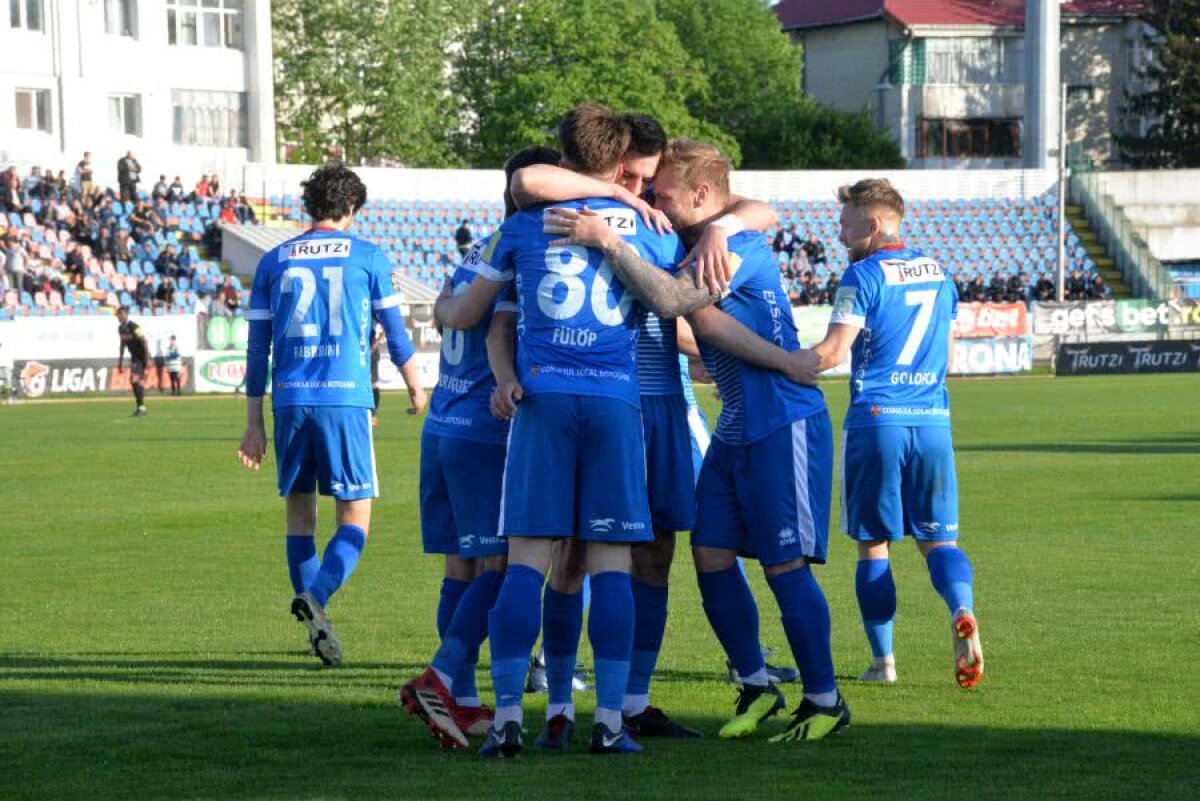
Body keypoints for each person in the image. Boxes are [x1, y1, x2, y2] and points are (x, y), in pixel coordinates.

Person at [509, 112, 807, 745]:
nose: (643, 186)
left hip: (660, 402)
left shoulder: (669, 227)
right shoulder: (593, 208)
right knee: (574, 555)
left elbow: (760, 207)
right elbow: (529, 180)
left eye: (650, 180)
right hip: (614, 399)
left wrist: (721, 227)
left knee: (655, 552)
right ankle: (564, 700)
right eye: (636, 176)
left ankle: (630, 701)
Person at [399, 145, 563, 752]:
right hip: (485, 429)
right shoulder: (529, 252)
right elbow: (491, 325)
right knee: (508, 564)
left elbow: (448, 313)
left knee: (461, 568)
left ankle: (462, 702)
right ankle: (443, 678)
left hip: (442, 425)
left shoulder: (480, 248)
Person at [236, 164, 427, 668]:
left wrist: (253, 422)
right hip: (346, 399)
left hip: (291, 400)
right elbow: (395, 332)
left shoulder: (273, 260)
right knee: (355, 516)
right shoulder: (367, 256)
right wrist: (415, 386)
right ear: (352, 209)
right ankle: (317, 598)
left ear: (310, 208)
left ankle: (317, 627)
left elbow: (258, 350)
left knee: (300, 516)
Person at [801, 178, 983, 690]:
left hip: (877, 418)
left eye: (845, 222)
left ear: (873, 223)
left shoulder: (862, 276)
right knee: (939, 539)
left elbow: (833, 354)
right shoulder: (940, 273)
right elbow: (947, 354)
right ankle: (961, 607)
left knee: (873, 543)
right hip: (932, 422)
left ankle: (884, 664)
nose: (839, 232)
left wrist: (776, 366)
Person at [116, 306, 150, 417]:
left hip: (142, 357)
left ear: (125, 314)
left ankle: (141, 408)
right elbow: (122, 345)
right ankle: (141, 407)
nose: (118, 317)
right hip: (135, 358)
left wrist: (147, 360)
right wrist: (120, 362)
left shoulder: (134, 326)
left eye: (119, 314)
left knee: (136, 381)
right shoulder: (120, 328)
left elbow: (144, 342)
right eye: (117, 315)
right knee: (134, 381)